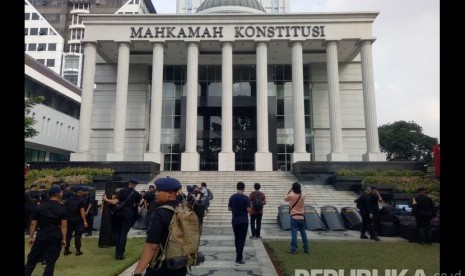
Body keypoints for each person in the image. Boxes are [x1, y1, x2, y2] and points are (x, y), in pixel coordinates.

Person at [132, 177, 186, 276]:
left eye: (159, 190)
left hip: (161, 266)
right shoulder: (182, 211)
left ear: (169, 193)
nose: (156, 193)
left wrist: (137, 272)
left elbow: (152, 245)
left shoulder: (160, 213)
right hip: (179, 264)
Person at [25, 185, 67, 276]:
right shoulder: (62, 208)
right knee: (51, 261)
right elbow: (64, 226)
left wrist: (31, 237)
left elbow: (33, 224)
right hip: (55, 235)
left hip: (42, 234)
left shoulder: (40, 207)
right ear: (58, 194)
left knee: (32, 259)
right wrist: (64, 239)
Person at [102, 179, 142, 260]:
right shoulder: (137, 194)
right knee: (123, 235)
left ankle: (117, 254)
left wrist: (105, 199)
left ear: (129, 183)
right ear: (135, 185)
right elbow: (138, 204)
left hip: (119, 213)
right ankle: (120, 254)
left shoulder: (121, 191)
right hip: (128, 214)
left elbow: (114, 202)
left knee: (118, 234)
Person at [228, 181, 251, 265]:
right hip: (243, 220)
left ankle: (238, 255)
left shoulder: (232, 197)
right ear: (244, 188)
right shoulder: (246, 198)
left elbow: (229, 209)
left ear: (237, 187)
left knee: (237, 238)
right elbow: (249, 210)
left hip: (235, 220)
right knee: (242, 239)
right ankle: (239, 257)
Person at [284, 182, 309, 254]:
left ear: (293, 188)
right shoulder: (303, 195)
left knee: (294, 233)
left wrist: (289, 190)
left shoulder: (291, 195)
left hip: (294, 216)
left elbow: (285, 198)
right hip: (302, 216)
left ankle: (293, 249)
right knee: (303, 233)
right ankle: (306, 248)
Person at [63, 186, 88, 256]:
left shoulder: (68, 200)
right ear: (79, 192)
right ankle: (78, 250)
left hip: (69, 220)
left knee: (68, 236)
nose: (83, 191)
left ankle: (66, 250)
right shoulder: (82, 200)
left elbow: (64, 210)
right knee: (78, 236)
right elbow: (82, 211)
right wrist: (85, 221)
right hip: (78, 220)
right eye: (82, 190)